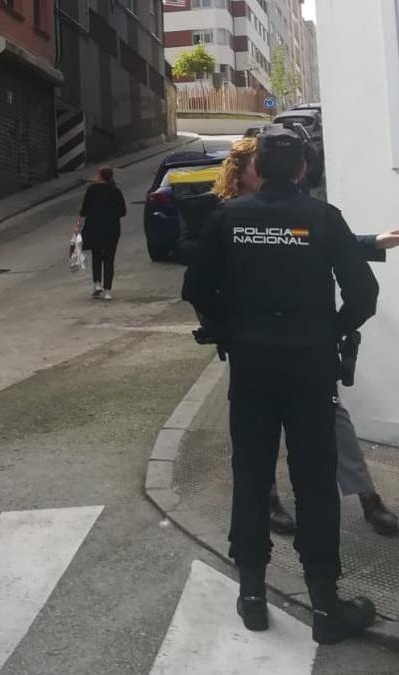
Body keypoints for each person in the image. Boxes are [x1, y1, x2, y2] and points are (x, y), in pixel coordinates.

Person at [183, 125, 380, 643]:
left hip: (251, 365)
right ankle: (325, 605)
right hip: (311, 366)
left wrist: (227, 330)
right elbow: (363, 292)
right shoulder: (322, 218)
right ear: (302, 169)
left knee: (250, 473)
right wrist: (331, 331)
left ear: (257, 168)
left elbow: (196, 287)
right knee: (315, 481)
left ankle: (251, 596)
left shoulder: (229, 217)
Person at [212, 138, 399, 538]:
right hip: (255, 342)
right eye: (257, 162)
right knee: (257, 427)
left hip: (306, 344)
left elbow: (313, 237)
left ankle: (365, 494)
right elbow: (201, 272)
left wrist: (371, 243)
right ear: (248, 171)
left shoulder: (304, 212)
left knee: (333, 418)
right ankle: (268, 499)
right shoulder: (226, 217)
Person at [75, 166, 126, 301]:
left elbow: (84, 209)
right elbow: (123, 212)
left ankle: (97, 284)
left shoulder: (92, 189)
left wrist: (78, 225)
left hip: (94, 227)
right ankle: (108, 291)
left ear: (100, 176)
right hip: (112, 228)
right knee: (109, 258)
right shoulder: (116, 191)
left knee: (97, 255)